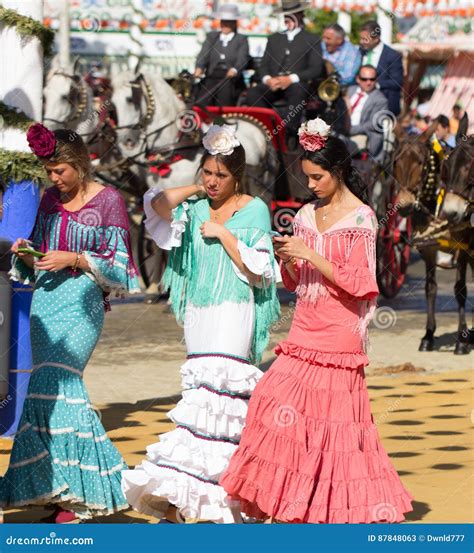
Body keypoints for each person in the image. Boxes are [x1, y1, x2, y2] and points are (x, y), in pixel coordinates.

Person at [220, 118, 414, 523]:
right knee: (269, 401)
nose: (310, 185)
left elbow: (361, 283)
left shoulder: (361, 219)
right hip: (304, 326)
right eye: (306, 177)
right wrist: (287, 259)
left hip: (340, 335)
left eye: (317, 177)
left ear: (338, 171)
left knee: (335, 429)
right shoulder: (305, 215)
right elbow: (296, 282)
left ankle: (335, 513)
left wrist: (312, 256)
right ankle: (294, 504)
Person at [121, 125, 281, 523]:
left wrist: (224, 233)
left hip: (234, 309)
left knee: (224, 399)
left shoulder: (255, 209)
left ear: (238, 176)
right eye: (207, 173)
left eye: (221, 176)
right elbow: (157, 205)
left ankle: (230, 499)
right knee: (198, 402)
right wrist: (195, 191)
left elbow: (259, 270)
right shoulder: (194, 207)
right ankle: (190, 497)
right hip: (200, 311)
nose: (213, 182)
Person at [0, 124, 140, 523]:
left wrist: (75, 259)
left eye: (59, 170)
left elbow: (123, 271)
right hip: (46, 298)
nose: (54, 178)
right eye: (48, 171)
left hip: (82, 304)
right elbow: (41, 252)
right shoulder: (48, 201)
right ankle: (56, 490)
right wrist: (27, 254)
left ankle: (87, 488)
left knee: (61, 382)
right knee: (45, 390)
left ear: (80, 163)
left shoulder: (109, 201)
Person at [244, 0, 324, 141]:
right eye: (286, 16)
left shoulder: (312, 39)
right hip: (273, 83)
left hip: (296, 84)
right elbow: (263, 66)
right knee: (253, 93)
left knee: (298, 92)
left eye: (291, 15)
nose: (287, 19)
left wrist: (291, 79)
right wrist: (268, 79)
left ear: (300, 15)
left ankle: (289, 134)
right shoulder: (274, 39)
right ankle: (266, 127)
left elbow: (316, 69)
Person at [193, 4, 249, 106]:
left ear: (234, 23)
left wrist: (235, 69)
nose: (225, 25)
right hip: (212, 75)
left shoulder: (241, 39)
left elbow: (243, 59)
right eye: (223, 21)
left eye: (228, 22)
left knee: (225, 96)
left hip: (230, 78)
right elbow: (203, 55)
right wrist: (199, 67)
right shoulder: (212, 37)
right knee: (202, 99)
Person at [359, 20, 403, 116]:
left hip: (385, 106)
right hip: (362, 105)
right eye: (361, 38)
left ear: (376, 39)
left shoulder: (392, 56)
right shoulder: (360, 52)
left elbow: (397, 82)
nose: (361, 42)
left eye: (365, 39)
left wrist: (375, 84)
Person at [346, 65, 389, 162]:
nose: (368, 82)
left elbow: (374, 123)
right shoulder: (349, 91)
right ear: (358, 79)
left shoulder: (381, 99)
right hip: (342, 130)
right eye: (364, 79)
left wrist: (350, 129)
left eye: (372, 79)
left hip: (361, 134)